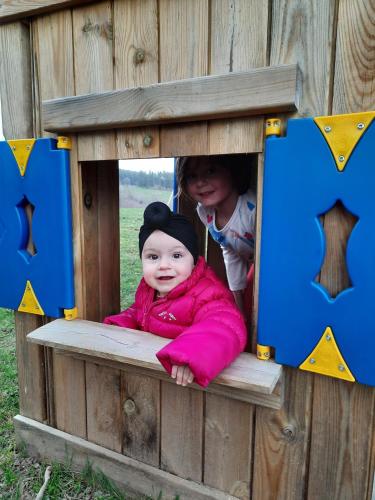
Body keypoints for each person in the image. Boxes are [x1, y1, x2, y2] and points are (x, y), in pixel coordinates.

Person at [104, 201, 247, 388]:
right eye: (153, 257)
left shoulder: (207, 294)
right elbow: (140, 312)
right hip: (153, 382)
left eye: (176, 256)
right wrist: (122, 324)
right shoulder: (148, 289)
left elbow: (224, 325)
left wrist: (191, 352)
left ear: (193, 261)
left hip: (188, 389)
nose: (164, 265)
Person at [176, 155, 256, 318]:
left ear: (232, 172)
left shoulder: (252, 210)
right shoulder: (204, 212)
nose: (200, 182)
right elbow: (229, 248)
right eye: (192, 176)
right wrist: (238, 304)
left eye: (211, 171)